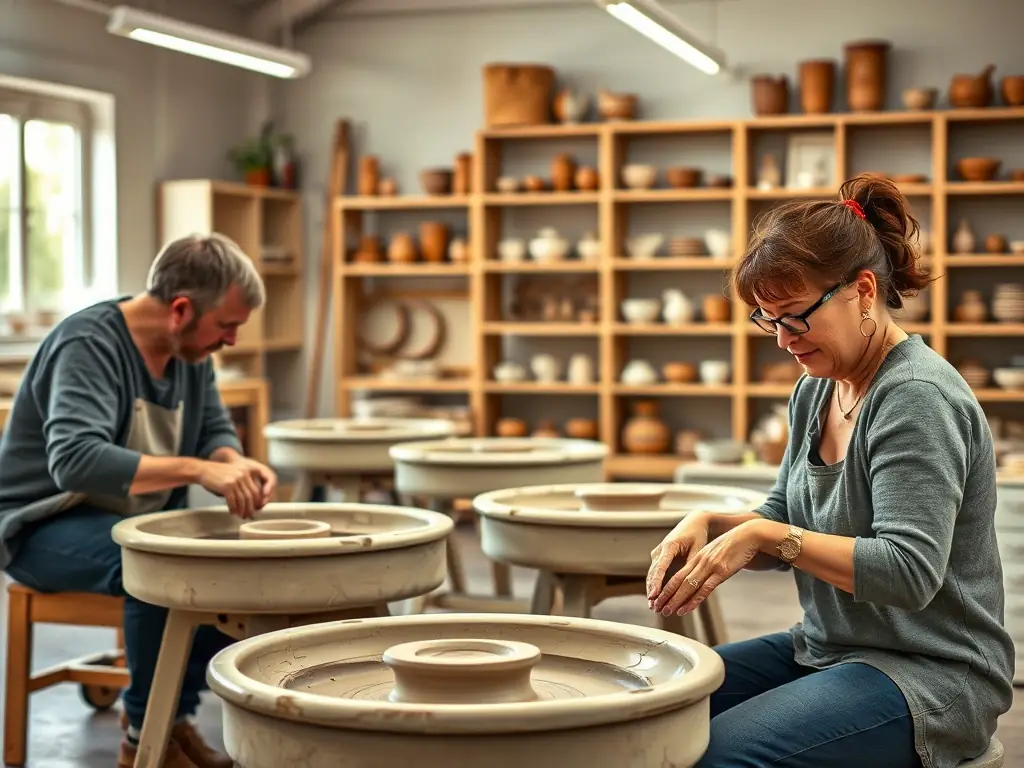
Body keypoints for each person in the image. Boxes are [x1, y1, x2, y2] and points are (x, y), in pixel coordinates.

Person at [645, 175, 1014, 768]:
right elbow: (785, 516)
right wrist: (712, 523)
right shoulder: (819, 389)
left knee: (718, 756)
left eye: (795, 316)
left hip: (934, 673)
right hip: (831, 646)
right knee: (651, 705)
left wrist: (767, 536)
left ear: (862, 290)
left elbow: (908, 573)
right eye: (769, 320)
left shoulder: (915, 396)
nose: (784, 341)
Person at [0, 233, 279, 768]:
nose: (232, 341)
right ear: (181, 309)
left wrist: (232, 460)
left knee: (235, 568)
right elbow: (75, 461)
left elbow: (213, 429)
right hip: (41, 525)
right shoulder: (88, 345)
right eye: (227, 326)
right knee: (160, 570)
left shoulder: (189, 352)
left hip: (133, 520)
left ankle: (170, 724)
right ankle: (143, 743)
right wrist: (200, 470)